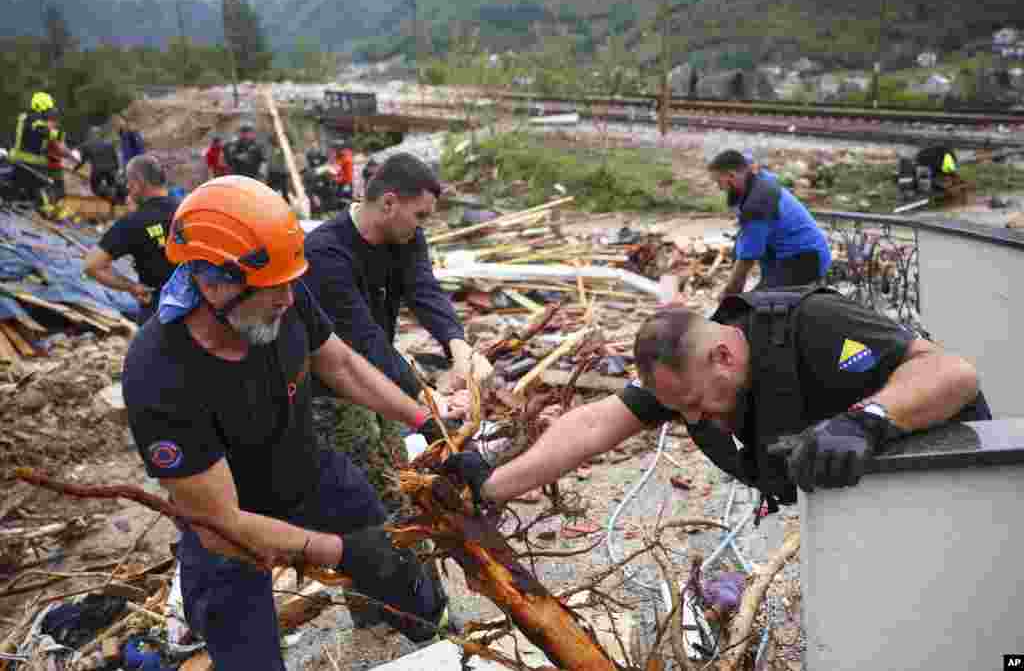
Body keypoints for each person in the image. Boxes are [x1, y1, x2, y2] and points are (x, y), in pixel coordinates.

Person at [121, 175, 452, 671]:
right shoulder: (159, 372)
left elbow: (339, 364)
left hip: (310, 471)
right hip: (228, 522)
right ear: (214, 284)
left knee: (397, 566)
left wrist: (425, 422)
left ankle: (438, 637)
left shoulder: (281, 294)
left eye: (290, 284)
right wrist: (338, 551)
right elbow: (221, 522)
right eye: (275, 290)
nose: (290, 300)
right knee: (245, 651)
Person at [444, 286, 990, 516]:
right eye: (680, 410)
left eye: (698, 404)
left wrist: (867, 421)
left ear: (723, 357)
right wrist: (495, 484)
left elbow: (952, 371)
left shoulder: (814, 325)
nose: (696, 419)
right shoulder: (684, 384)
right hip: (868, 501)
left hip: (955, 477)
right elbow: (594, 425)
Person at [303, 153, 493, 509]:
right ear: (389, 203)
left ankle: (407, 551)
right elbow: (362, 338)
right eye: (419, 215)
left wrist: (459, 348)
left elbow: (424, 290)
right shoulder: (326, 253)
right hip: (331, 395)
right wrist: (423, 396)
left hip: (381, 381)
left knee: (399, 478)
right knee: (368, 497)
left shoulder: (405, 238)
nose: (421, 226)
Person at [709, 150, 831, 296]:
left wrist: (728, 294)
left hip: (805, 261)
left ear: (732, 176)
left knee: (755, 309)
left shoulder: (757, 205)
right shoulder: (755, 178)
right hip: (785, 256)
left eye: (718, 182)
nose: (719, 188)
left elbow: (747, 260)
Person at [84, 156, 179, 323]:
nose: (128, 187)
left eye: (129, 182)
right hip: (198, 312)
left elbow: (92, 265)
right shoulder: (187, 210)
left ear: (139, 181)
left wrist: (131, 287)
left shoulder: (133, 222)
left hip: (158, 313)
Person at [75, 126, 122, 201]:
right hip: (111, 169)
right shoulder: (109, 144)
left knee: (95, 187)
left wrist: (75, 169)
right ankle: (113, 196)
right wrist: (117, 170)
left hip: (98, 170)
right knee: (112, 185)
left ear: (90, 135)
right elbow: (115, 158)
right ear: (100, 134)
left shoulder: (87, 145)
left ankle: (107, 194)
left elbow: (82, 160)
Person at [266, 135, 290, 201]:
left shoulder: (284, 148)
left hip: (282, 173)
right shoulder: (271, 148)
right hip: (272, 172)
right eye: (277, 139)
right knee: (269, 191)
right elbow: (269, 161)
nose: (278, 140)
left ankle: (286, 206)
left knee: (285, 192)